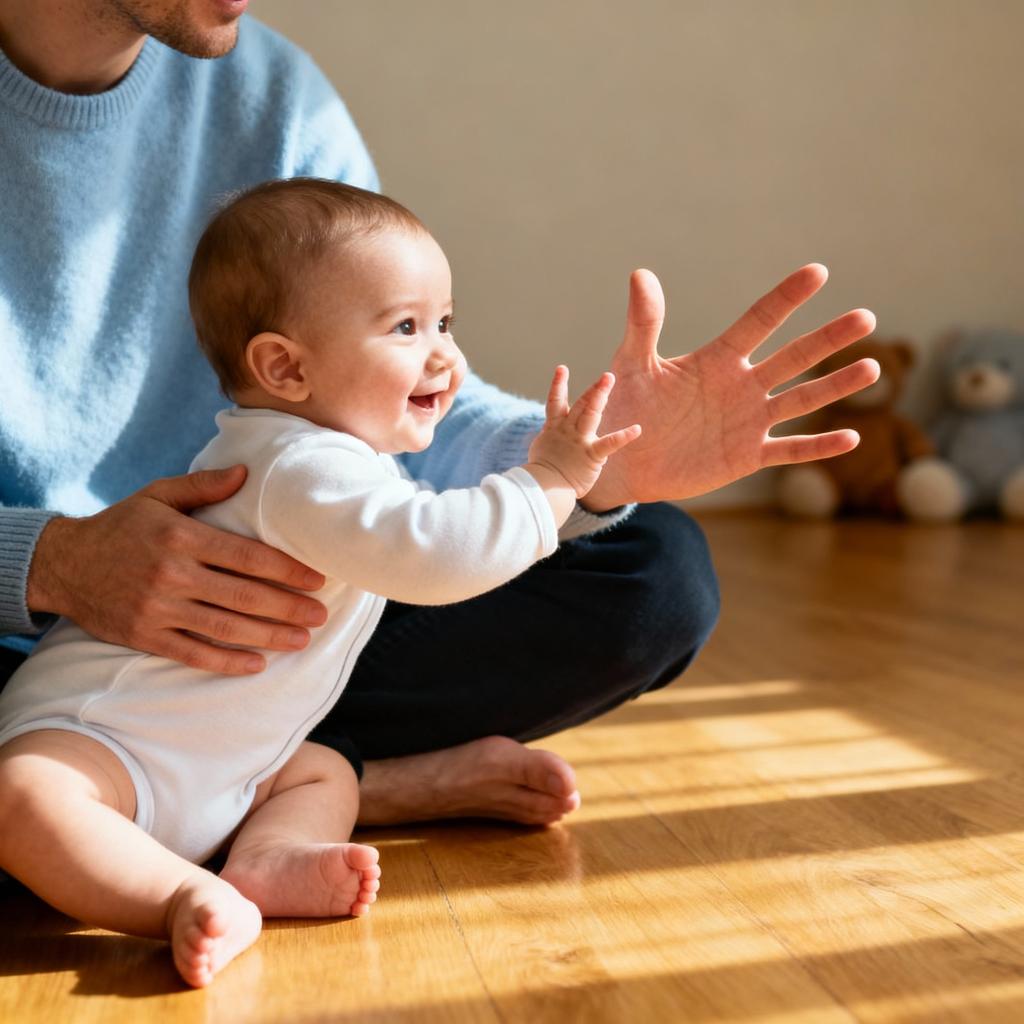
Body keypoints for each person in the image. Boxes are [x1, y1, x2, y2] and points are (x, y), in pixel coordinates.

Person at [0, 1, 879, 829]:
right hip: (42, 659)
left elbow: (384, 404)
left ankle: (229, 785)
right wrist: (51, 562)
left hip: (268, 643)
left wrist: (582, 464)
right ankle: (322, 786)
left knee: (653, 573)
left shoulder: (270, 94)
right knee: (33, 784)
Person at [0, 178, 645, 987]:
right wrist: (549, 478)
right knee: (23, 793)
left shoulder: (345, 458)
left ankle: (272, 857)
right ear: (285, 367)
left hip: (236, 766)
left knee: (320, 771)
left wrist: (583, 467)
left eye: (446, 322)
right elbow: (438, 555)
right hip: (105, 743)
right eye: (406, 327)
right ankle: (178, 897)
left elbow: (438, 506)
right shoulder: (296, 464)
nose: (445, 354)